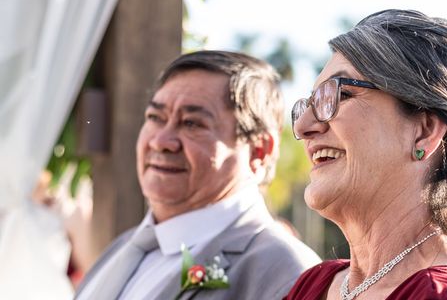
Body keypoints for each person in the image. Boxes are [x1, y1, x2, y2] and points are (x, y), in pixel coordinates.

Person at [285, 9, 447, 300]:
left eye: (339, 95)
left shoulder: (445, 295)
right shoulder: (315, 285)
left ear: (424, 131)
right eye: (310, 104)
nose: (303, 126)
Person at [75, 50, 320, 300]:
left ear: (259, 151)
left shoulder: (286, 274)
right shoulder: (121, 249)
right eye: (155, 117)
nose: (161, 141)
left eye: (192, 123)